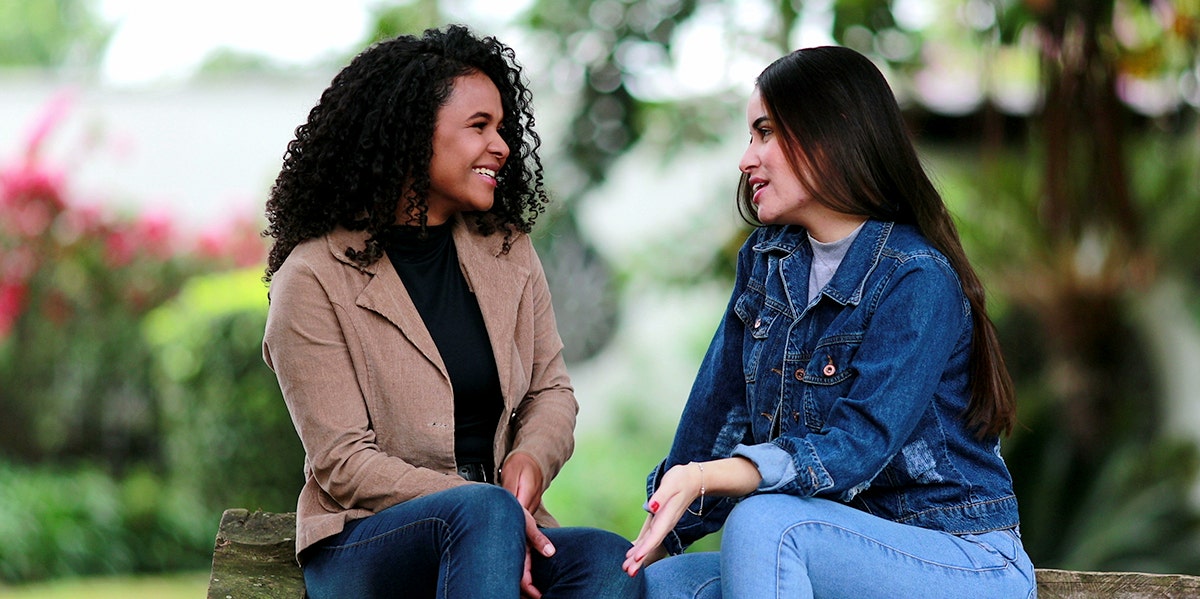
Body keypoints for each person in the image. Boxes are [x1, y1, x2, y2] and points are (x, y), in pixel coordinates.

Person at [620, 45, 1037, 599]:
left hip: (960, 559)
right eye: (750, 136)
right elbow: (717, 420)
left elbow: (857, 446)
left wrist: (707, 477)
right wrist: (654, 536)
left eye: (765, 132)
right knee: (664, 588)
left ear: (830, 134)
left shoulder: (916, 277)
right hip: (837, 550)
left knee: (766, 523)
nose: (747, 159)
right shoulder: (768, 262)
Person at [261, 25, 643, 599]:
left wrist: (530, 463)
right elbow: (344, 463)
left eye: (503, 127)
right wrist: (486, 510)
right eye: (478, 127)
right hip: (365, 539)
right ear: (414, 136)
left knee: (610, 564)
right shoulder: (314, 277)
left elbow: (550, 392)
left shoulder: (507, 250)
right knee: (482, 517)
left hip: (496, 525)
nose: (503, 146)